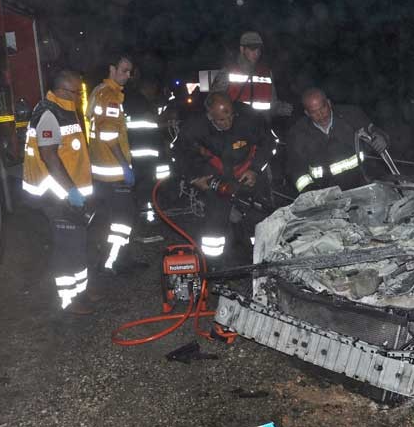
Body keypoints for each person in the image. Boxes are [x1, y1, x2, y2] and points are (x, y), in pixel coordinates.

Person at [22, 70, 98, 313]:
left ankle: (80, 292)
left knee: (77, 243)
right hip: (56, 194)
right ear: (63, 90)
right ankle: (68, 299)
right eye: (76, 92)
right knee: (67, 247)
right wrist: (72, 191)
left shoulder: (64, 110)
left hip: (68, 192)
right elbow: (49, 156)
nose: (79, 96)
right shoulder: (49, 113)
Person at [173, 92, 276, 264]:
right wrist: (194, 178)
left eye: (230, 116)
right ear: (209, 116)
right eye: (221, 120)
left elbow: (269, 143)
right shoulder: (195, 127)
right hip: (215, 178)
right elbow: (178, 154)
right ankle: (214, 266)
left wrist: (255, 170)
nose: (228, 123)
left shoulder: (249, 118)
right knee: (216, 222)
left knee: (257, 216)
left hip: (245, 173)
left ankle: (257, 259)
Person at [87, 54, 140, 274]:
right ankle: (113, 264)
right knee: (121, 222)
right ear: (112, 69)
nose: (127, 75)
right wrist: (124, 166)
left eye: (130, 72)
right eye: (124, 70)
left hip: (101, 172)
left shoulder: (98, 91)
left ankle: (115, 260)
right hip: (114, 173)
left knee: (110, 220)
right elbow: (109, 135)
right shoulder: (109, 96)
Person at [287, 88, 375, 193]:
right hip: (326, 194)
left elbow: (374, 132)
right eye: (314, 112)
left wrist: (380, 138)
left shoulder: (351, 116)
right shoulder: (298, 134)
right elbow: (297, 170)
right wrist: (311, 192)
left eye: (322, 108)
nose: (320, 115)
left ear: (329, 103)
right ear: (307, 113)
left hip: (363, 185)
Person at [210, 31, 292, 117]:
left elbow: (272, 104)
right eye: (252, 49)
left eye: (259, 49)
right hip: (236, 124)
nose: (257, 53)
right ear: (242, 49)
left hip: (261, 125)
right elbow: (213, 101)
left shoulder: (266, 73)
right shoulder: (227, 72)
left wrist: (284, 109)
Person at [124, 75, 167, 230]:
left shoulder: (131, 101)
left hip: (136, 153)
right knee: (146, 187)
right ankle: (148, 220)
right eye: (153, 89)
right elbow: (151, 125)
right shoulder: (141, 103)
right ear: (147, 87)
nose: (154, 92)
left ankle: (142, 217)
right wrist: (164, 120)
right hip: (144, 155)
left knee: (140, 188)